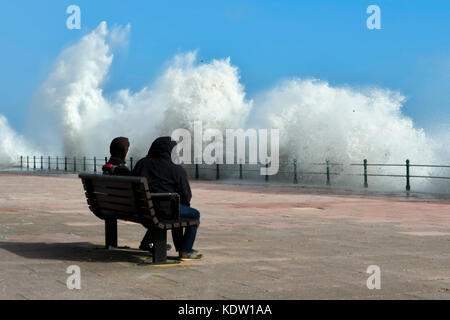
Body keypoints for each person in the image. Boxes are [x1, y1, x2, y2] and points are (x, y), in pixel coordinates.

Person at [132, 136, 202, 260]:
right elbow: (186, 196)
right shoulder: (176, 169)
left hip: (141, 210)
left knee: (171, 211)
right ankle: (185, 250)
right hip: (162, 212)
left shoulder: (141, 163)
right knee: (194, 214)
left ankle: (148, 244)